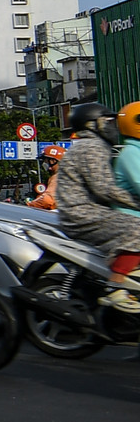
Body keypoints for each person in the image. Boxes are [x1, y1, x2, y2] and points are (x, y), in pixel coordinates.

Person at [55, 102, 140, 314]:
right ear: (92, 125)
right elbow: (104, 189)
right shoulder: (91, 148)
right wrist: (135, 202)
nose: (113, 127)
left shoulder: (97, 147)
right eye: (107, 122)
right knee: (136, 227)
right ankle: (115, 286)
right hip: (81, 212)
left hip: (87, 210)